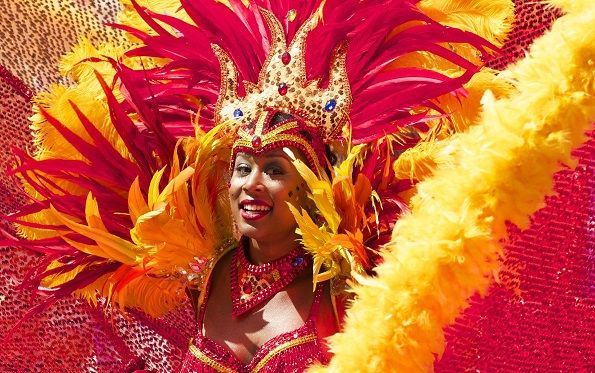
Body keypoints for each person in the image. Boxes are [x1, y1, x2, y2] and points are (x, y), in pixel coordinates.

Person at [4, 0, 593, 372]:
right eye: (242, 166)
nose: (250, 184)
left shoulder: (353, 291)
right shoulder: (208, 271)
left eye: (275, 169)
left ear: (313, 187)